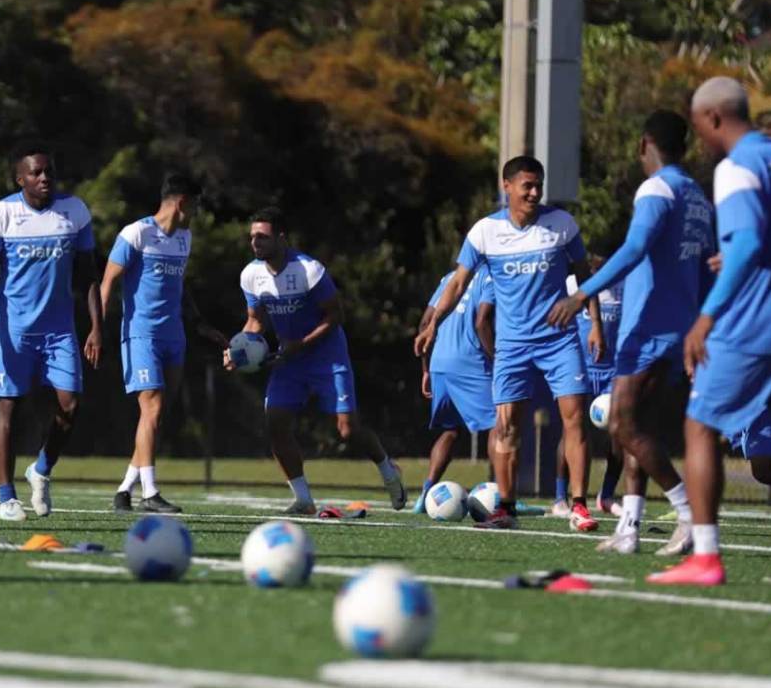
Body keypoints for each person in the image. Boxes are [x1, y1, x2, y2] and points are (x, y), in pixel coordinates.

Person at [549, 111, 713, 556]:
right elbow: (708, 267)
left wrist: (582, 293)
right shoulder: (697, 197)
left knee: (621, 424)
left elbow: (635, 247)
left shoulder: (657, 188)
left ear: (644, 145)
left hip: (649, 328)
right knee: (640, 430)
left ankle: (688, 513)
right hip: (678, 328)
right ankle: (629, 528)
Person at [416, 156, 602, 532]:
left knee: (575, 419)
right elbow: (458, 283)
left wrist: (594, 323)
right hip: (513, 345)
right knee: (505, 427)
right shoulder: (485, 232)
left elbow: (585, 276)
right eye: (527, 186)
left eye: (539, 186)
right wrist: (434, 322)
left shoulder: (561, 224)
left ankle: (579, 506)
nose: (534, 193)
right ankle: (505, 508)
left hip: (559, 340)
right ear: (507, 187)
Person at [648, 78, 771, 585]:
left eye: (698, 125)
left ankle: (704, 557)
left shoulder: (737, 167)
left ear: (713, 118)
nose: (699, 139)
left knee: (700, 424)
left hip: (757, 319)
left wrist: (706, 318)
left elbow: (746, 244)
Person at [226, 207, 406, 514]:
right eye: (252, 236)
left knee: (348, 430)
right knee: (276, 424)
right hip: (289, 360)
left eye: (263, 236)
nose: (255, 242)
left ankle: (389, 470)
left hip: (327, 356)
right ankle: (303, 500)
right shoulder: (250, 275)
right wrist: (237, 350)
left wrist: (302, 343)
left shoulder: (309, 269)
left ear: (281, 238)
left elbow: (336, 315)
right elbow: (255, 321)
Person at [0, 149, 102, 521]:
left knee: (70, 406)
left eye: (49, 171)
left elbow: (89, 274)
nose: (44, 178)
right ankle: (6, 498)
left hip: (59, 330)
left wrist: (96, 327)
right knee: (8, 409)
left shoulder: (74, 211)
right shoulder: (1, 214)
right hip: (14, 331)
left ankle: (41, 469)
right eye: (36, 172)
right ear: (20, 179)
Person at [100, 172, 227, 513]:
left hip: (174, 335)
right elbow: (108, 282)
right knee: (152, 409)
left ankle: (125, 489)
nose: (197, 212)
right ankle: (150, 493)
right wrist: (97, 329)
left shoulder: (184, 238)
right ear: (182, 202)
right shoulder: (136, 233)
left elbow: (180, 287)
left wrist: (199, 323)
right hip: (141, 334)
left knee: (155, 416)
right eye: (196, 204)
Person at [413, 270, 496, 514]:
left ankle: (426, 492)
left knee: (451, 430)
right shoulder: (493, 276)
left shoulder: (449, 278)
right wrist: (499, 362)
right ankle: (503, 496)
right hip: (470, 362)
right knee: (501, 426)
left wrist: (426, 369)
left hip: (439, 362)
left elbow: (425, 323)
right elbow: (482, 323)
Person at [549, 263, 623, 519]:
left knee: (622, 433)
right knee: (572, 429)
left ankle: (606, 495)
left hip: (613, 372)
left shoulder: (623, 283)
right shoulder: (572, 284)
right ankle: (560, 497)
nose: (598, 262)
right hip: (580, 367)